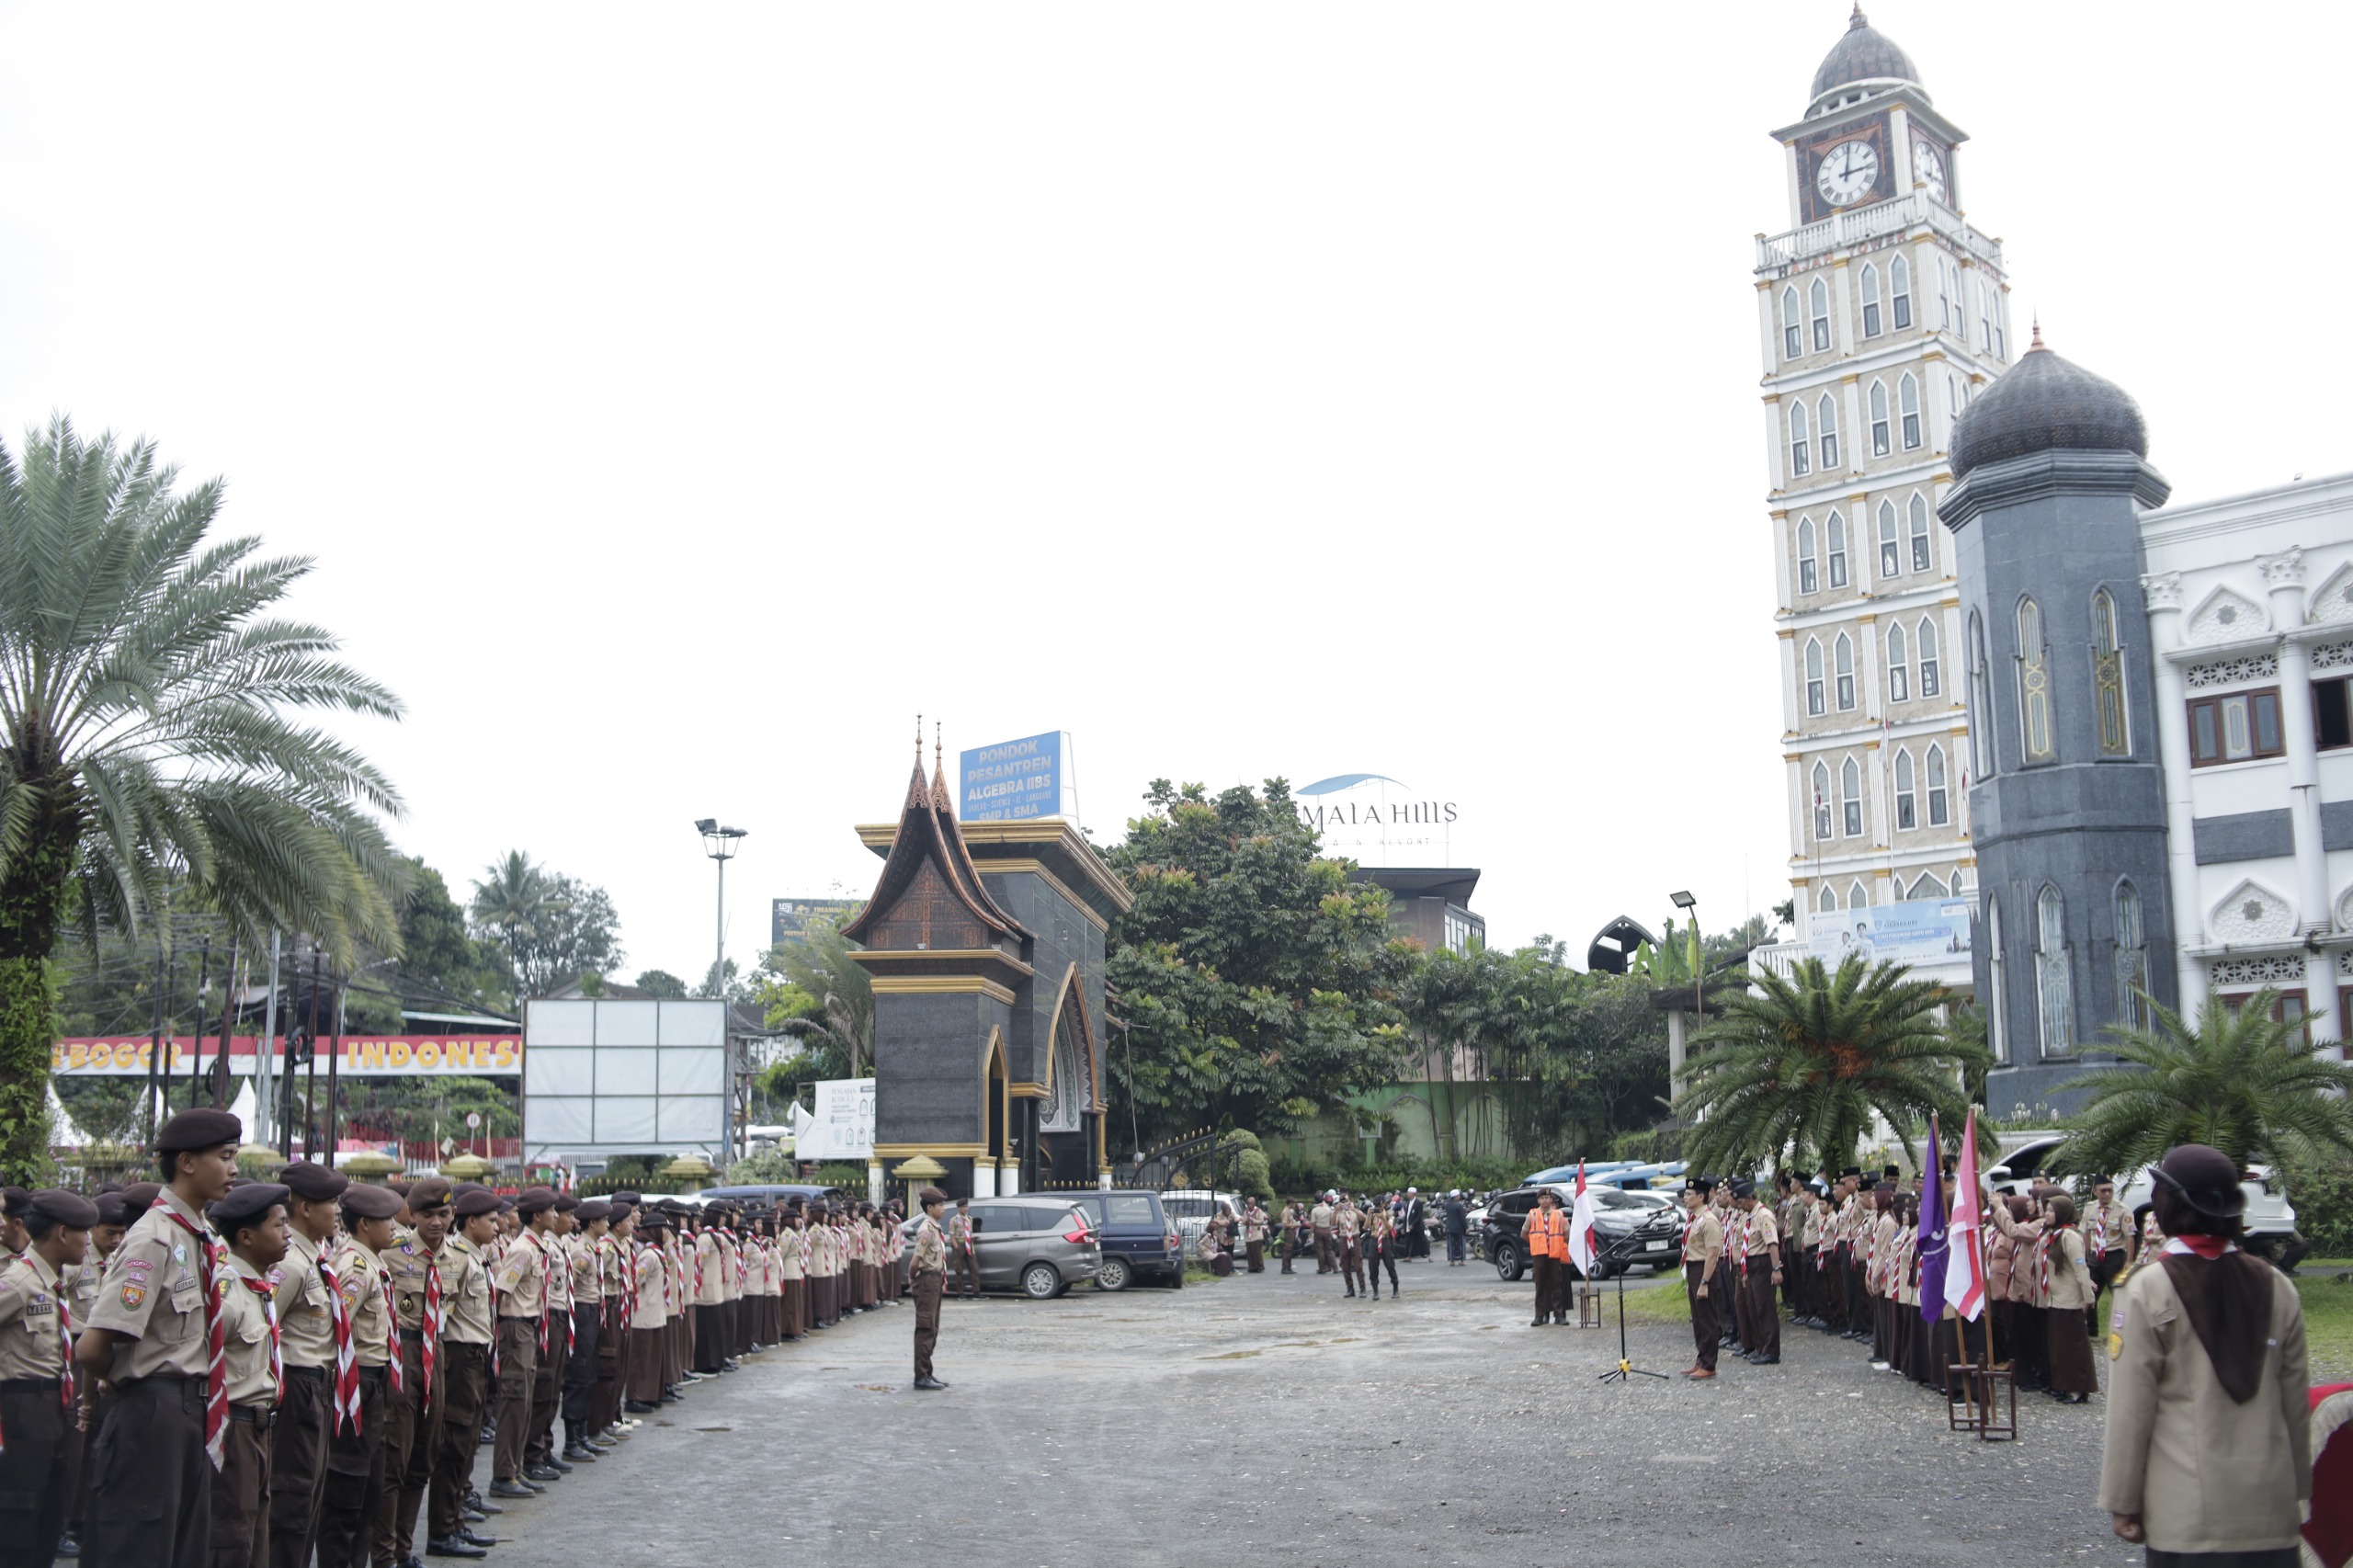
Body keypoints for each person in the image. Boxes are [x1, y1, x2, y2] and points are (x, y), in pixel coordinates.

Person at [2098, 1143, 2311, 1563]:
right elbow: (2295, 1407)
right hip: (2270, 1512)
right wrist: (2299, 1491)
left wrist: (2122, 1497)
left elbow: (2131, 1409)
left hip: (2188, 1516)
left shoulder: (2147, 1289)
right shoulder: (2279, 1287)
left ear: (2167, 1206)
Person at [75, 1107, 242, 1568]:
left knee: (182, 1548)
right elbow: (91, 1347)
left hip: (192, 1409)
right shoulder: (154, 1238)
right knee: (139, 1546)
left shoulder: (197, 1235)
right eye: (225, 1156)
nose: (234, 1169)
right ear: (187, 1162)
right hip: (155, 1412)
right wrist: (128, 1381)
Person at [0, 1188, 97, 1567]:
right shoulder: (19, 1281)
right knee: (18, 1511)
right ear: (61, 1234)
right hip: (22, 1404)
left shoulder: (54, 1280)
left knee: (50, 1510)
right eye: (82, 1232)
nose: (87, 1242)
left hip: (56, 1403)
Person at [311, 1180, 401, 1568]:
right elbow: (338, 1329)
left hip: (373, 1382)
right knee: (347, 1487)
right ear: (364, 1224)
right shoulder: (355, 1268)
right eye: (387, 1220)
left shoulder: (374, 1264)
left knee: (369, 1488)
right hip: (355, 1384)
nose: (395, 1227)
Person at [209, 1180, 292, 1568]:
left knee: (256, 1531)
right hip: (235, 1428)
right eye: (278, 1225)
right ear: (245, 1236)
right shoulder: (227, 1291)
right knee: (232, 1536)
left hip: (260, 1427)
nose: (287, 1233)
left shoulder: (257, 1287)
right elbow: (200, 1365)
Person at [268, 1161, 347, 1568]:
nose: (337, 1210)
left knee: (311, 1497)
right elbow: (266, 1330)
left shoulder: (315, 1257)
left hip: (318, 1385)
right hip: (296, 1386)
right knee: (291, 1499)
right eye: (330, 1202)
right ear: (303, 1208)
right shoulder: (290, 1264)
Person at [428, 1187, 499, 1557]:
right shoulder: (456, 1257)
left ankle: (455, 1522)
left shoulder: (476, 1255)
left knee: (468, 1443)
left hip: (475, 1355)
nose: (498, 1225)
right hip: (459, 1357)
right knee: (454, 1444)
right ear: (471, 1222)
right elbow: (440, 1310)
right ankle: (441, 1530)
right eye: (491, 1220)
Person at [2040, 1193, 2098, 1403]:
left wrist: (2088, 1296)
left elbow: (2080, 1267)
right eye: (2046, 1210)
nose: (2046, 1214)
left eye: (2051, 1211)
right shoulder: (2054, 1235)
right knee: (2061, 1346)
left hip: (2069, 1300)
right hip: (2056, 1299)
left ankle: (2078, 1388)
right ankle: (2066, 1385)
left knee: (2074, 1346)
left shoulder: (2069, 1236)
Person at [1732, 1180, 1782, 1365]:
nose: (1739, 1205)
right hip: (1751, 1264)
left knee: (1765, 1308)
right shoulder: (1750, 1216)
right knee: (1753, 1307)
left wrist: (1776, 1269)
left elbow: (1772, 1244)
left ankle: (1771, 1350)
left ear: (1750, 1198)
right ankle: (1761, 1347)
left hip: (1762, 1263)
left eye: (1741, 1201)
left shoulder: (1764, 1216)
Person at [1678, 1180, 1722, 1379]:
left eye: (1689, 1194)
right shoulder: (1694, 1219)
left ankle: (1709, 1364)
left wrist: (1704, 1282)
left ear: (1701, 1197)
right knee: (1697, 1319)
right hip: (1693, 1269)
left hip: (1705, 1270)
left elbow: (1712, 1254)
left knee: (1707, 1319)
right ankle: (1701, 1358)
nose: (1685, 1198)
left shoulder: (1708, 1220)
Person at [908, 1187, 949, 1392]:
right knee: (925, 1328)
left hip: (934, 1280)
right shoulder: (926, 1230)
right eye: (940, 1205)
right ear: (930, 1207)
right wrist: (915, 1279)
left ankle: (927, 1372)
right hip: (927, 1281)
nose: (943, 1208)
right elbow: (915, 1261)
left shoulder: (935, 1228)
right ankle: (921, 1376)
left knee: (932, 1327)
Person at [2084, 1176, 2131, 1338]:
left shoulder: (2122, 1209)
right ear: (2095, 1191)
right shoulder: (2089, 1208)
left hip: (2114, 1256)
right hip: (2095, 1255)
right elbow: (2085, 1232)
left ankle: (2124, 1331)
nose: (2107, 1194)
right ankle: (2092, 1331)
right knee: (2090, 1294)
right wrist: (2087, 1255)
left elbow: (2130, 1236)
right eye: (2103, 1190)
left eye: (2110, 1190)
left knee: (2119, 1295)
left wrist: (2129, 1260)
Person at [1525, 1187, 1568, 1327]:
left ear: (1551, 1200)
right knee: (1540, 1285)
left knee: (1557, 1284)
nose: (1545, 1201)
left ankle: (1559, 1315)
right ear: (1538, 1200)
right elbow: (1524, 1233)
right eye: (1542, 1198)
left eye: (1547, 1198)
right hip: (1539, 1254)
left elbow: (1566, 1233)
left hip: (1555, 1253)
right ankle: (1539, 1315)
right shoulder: (1532, 1215)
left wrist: (1559, 1243)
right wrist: (1535, 1242)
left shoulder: (1559, 1215)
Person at [946, 1199, 979, 1301]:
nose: (965, 1209)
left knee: (975, 1268)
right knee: (959, 1270)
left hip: (969, 1245)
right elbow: (951, 1236)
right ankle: (960, 1293)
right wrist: (957, 1248)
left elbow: (969, 1232)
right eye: (963, 1207)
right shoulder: (954, 1220)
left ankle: (976, 1292)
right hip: (959, 1245)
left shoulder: (969, 1219)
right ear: (959, 1208)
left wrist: (972, 1239)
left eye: (966, 1206)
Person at [1442, 1191, 1469, 1267]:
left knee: (1451, 1244)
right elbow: (1462, 1218)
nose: (1459, 1197)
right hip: (1459, 1228)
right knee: (1461, 1245)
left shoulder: (1447, 1204)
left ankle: (1452, 1261)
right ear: (1456, 1197)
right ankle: (1462, 1260)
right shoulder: (1459, 1205)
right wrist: (1466, 1227)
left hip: (1449, 1227)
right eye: (1458, 1196)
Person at [1242, 1201, 1267, 1274]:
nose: (1249, 1205)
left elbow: (1261, 1221)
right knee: (1250, 1251)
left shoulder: (1258, 1211)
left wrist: (1253, 1220)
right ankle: (1252, 1267)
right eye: (1248, 1204)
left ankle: (1260, 1266)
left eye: (1251, 1204)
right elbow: (1243, 1221)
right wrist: (1246, 1221)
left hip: (1256, 1234)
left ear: (1254, 1204)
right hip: (1248, 1234)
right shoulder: (1245, 1212)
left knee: (1256, 1251)